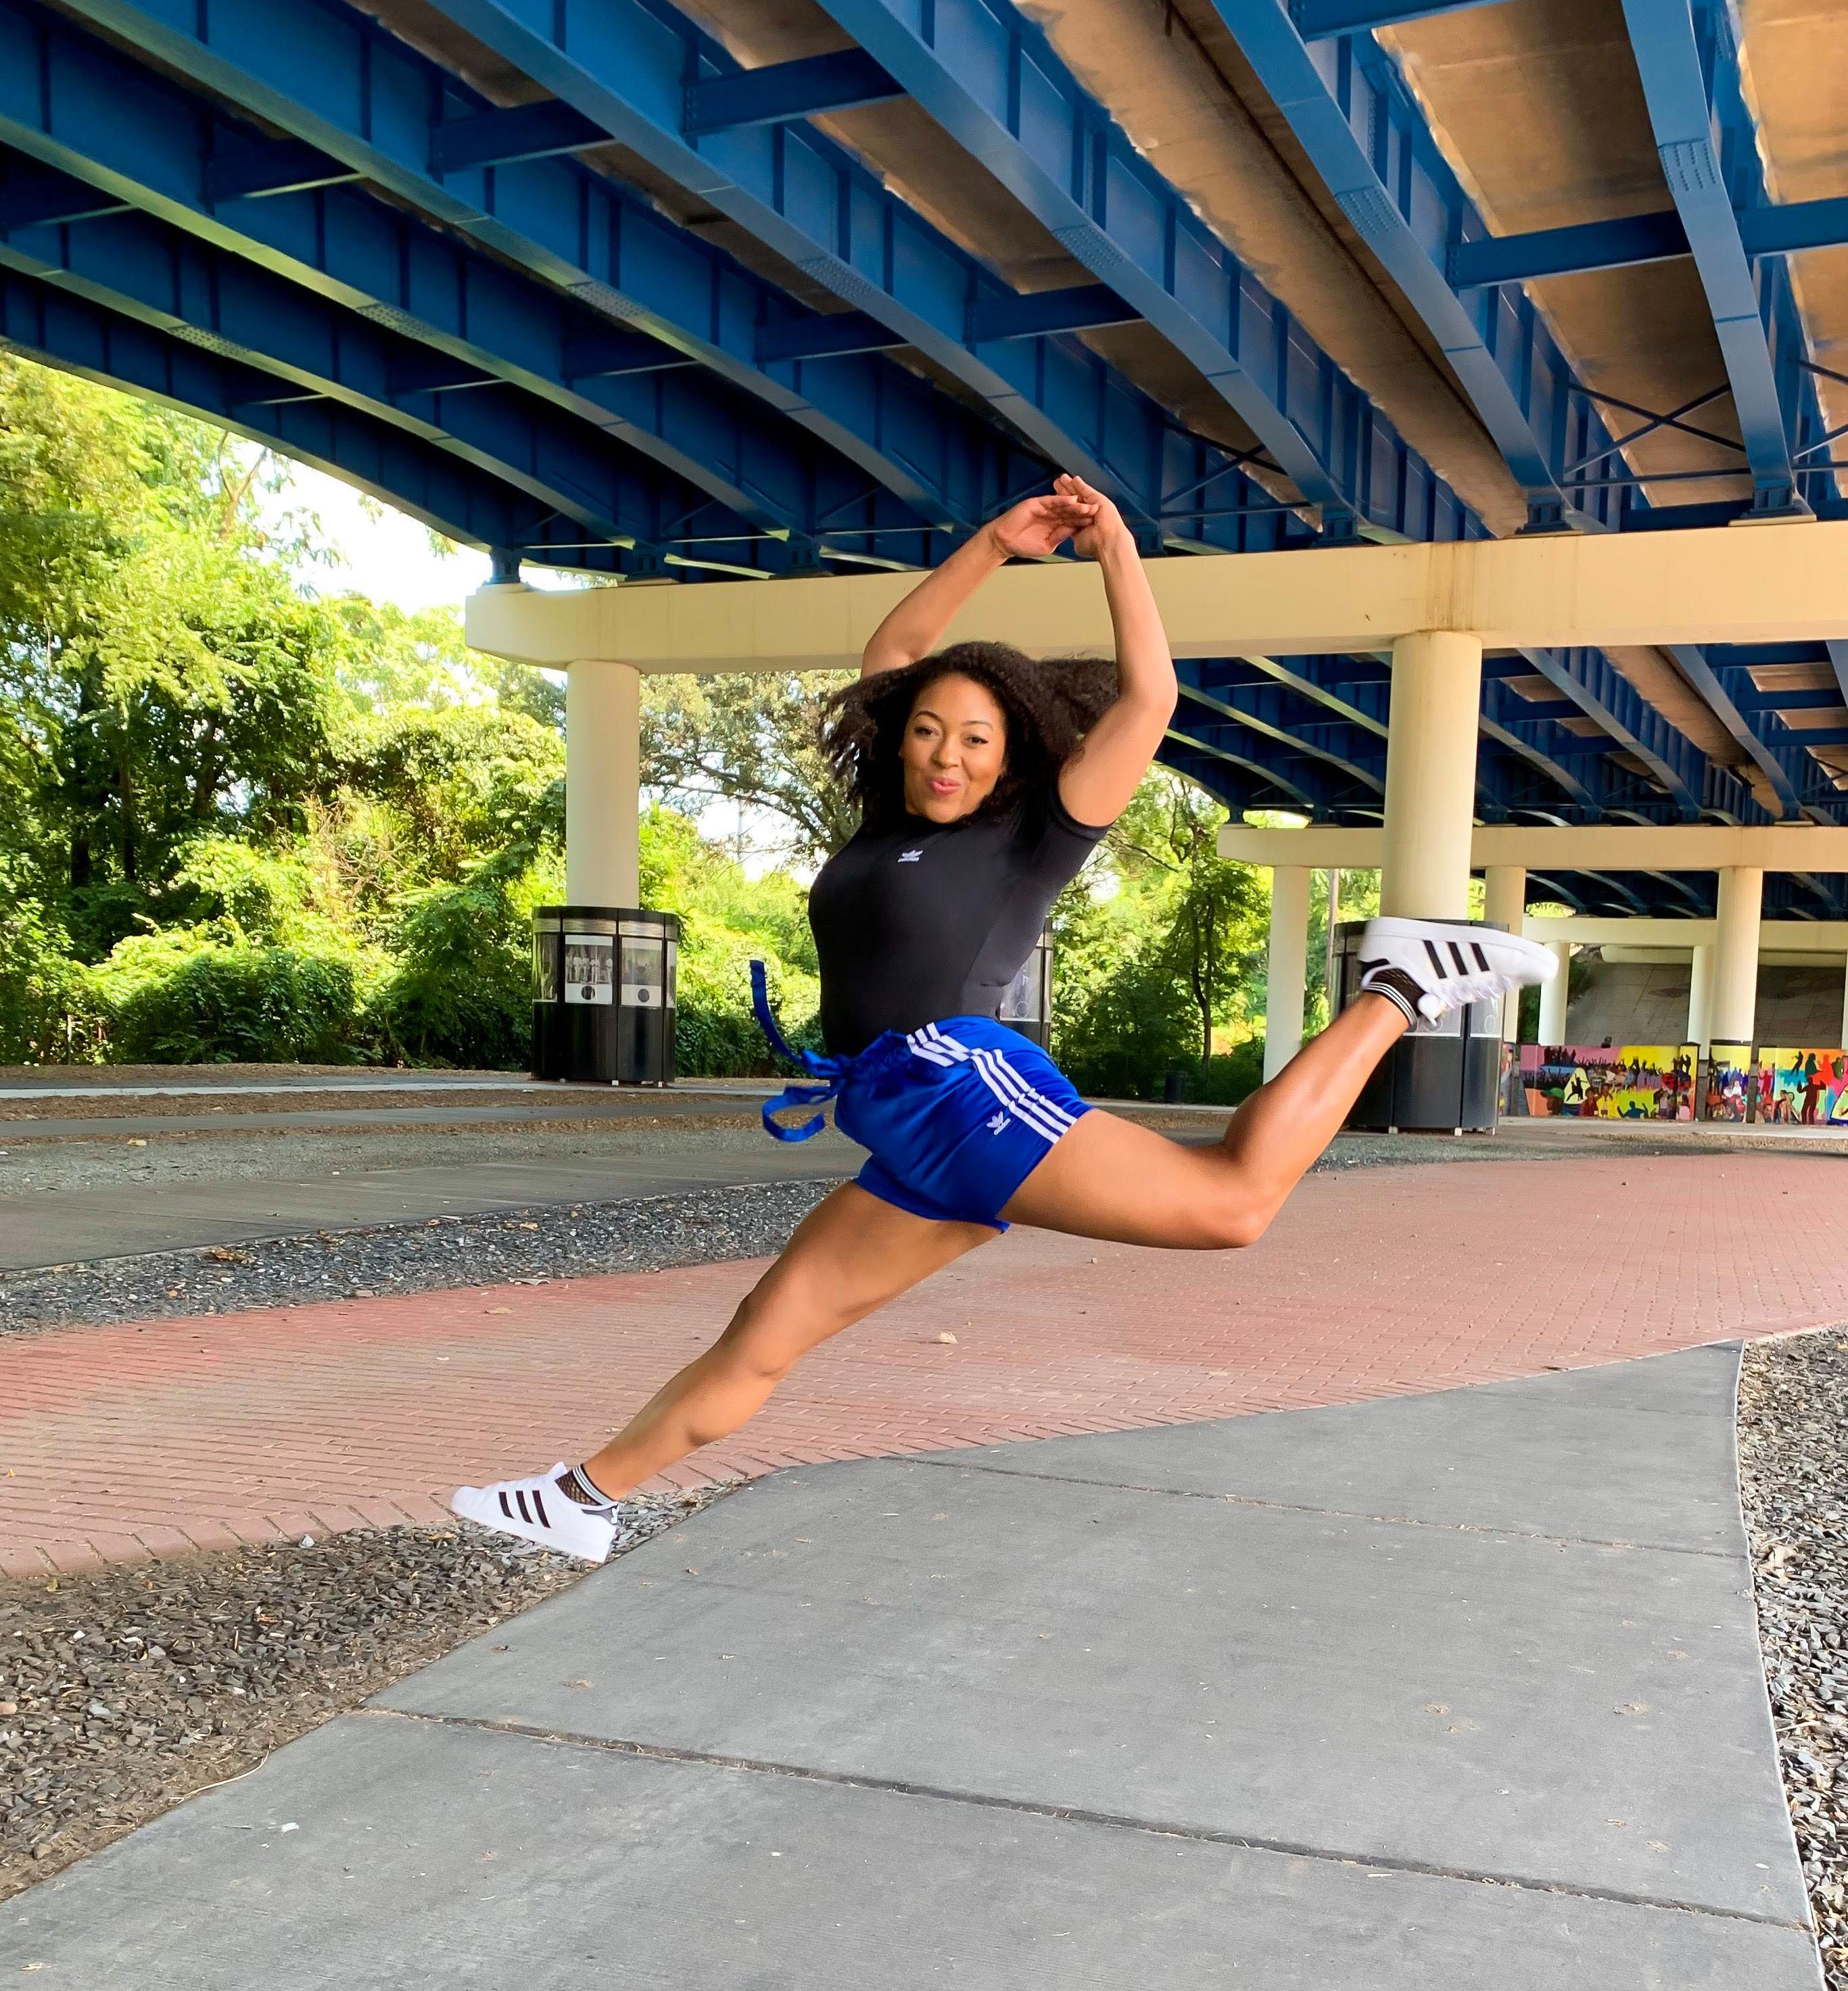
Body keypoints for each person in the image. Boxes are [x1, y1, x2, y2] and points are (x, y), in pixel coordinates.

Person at [452, 476, 1559, 1562]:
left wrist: (1113, 546)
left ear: (1012, 756)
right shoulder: (885, 823)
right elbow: (894, 652)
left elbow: (1150, 702)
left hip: (958, 1086)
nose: (947, 754)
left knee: (1230, 1202)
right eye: (930, 731)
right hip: (898, 1123)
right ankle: (579, 1497)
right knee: (764, 1330)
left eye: (976, 740)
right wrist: (994, 543)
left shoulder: (1037, 829)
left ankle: (1398, 987)